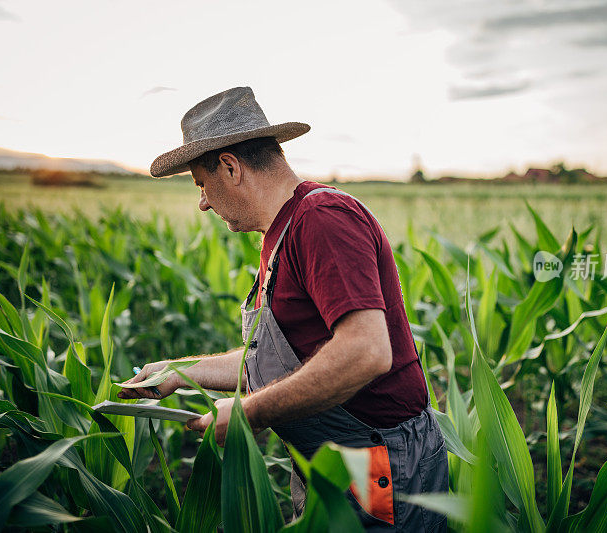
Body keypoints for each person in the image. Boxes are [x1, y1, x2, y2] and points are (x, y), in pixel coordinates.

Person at [118, 86, 448, 531]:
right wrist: (177, 371)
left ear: (230, 167)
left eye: (201, 184)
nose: (202, 202)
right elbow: (281, 360)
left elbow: (366, 351)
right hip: (339, 457)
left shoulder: (322, 219)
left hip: (376, 462)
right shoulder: (283, 231)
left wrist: (249, 412)